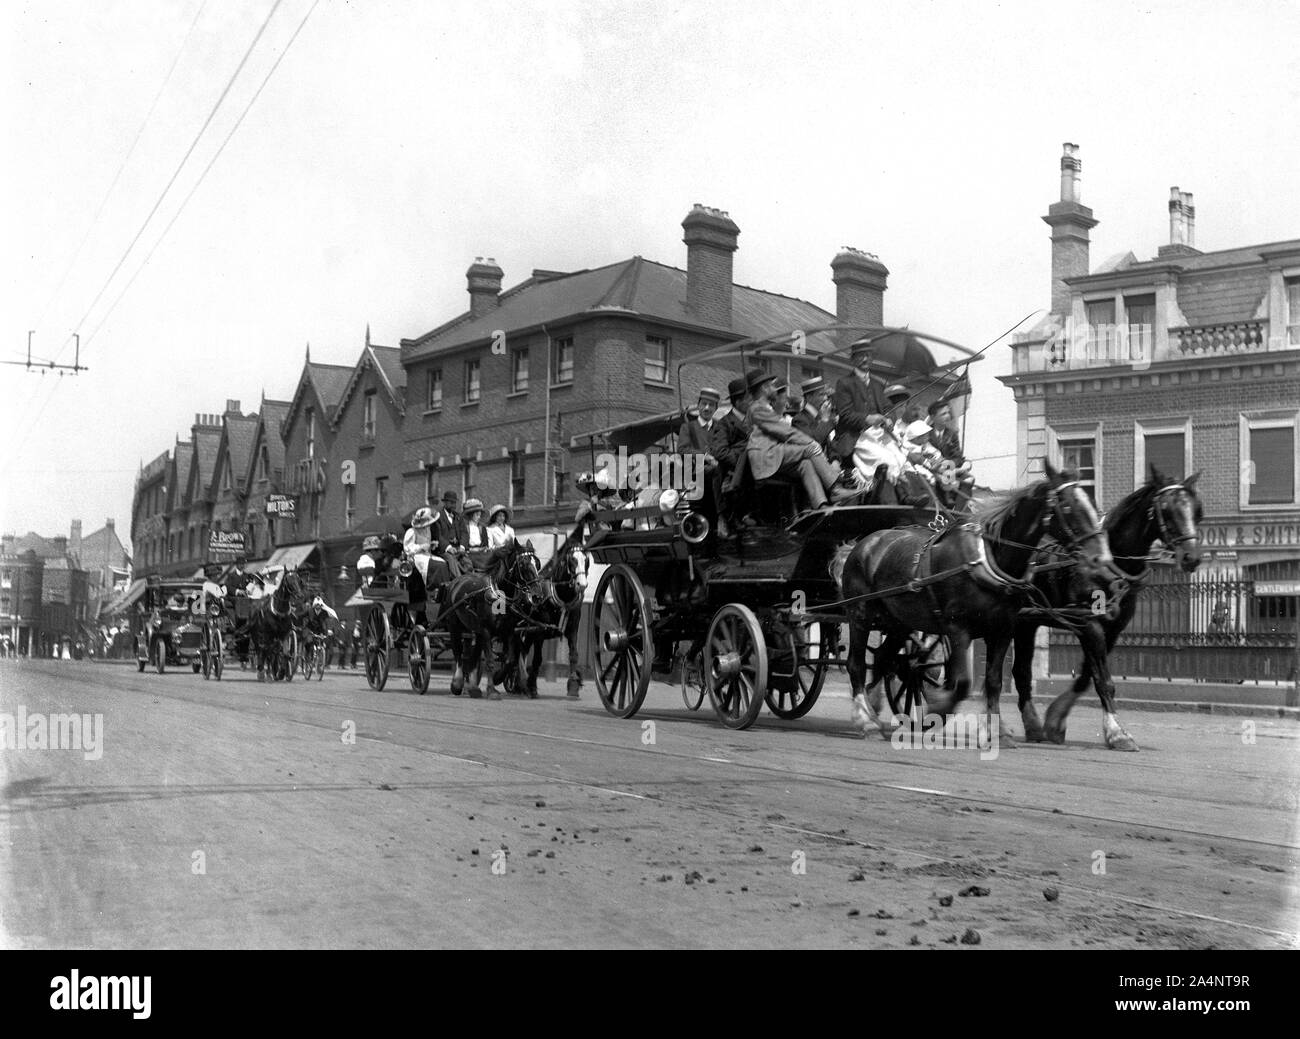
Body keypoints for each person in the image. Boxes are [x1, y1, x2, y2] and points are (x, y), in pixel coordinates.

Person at [745, 367, 851, 510]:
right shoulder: (757, 408)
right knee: (809, 449)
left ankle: (821, 505)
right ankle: (835, 488)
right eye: (771, 385)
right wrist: (811, 442)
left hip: (773, 453)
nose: (774, 389)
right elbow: (785, 432)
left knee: (805, 463)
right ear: (764, 388)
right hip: (765, 455)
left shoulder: (764, 408)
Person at [830, 347, 889, 460]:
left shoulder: (878, 385)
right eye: (861, 355)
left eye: (868, 355)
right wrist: (867, 419)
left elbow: (888, 407)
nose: (865, 359)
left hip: (879, 437)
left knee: (899, 457)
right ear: (853, 360)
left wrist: (889, 418)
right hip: (855, 439)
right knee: (884, 459)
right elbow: (845, 415)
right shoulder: (844, 383)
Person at [405, 506, 452, 615]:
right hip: (416, 556)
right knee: (437, 565)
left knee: (444, 563)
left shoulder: (428, 530)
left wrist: (433, 545)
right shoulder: (411, 532)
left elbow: (431, 543)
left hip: (427, 554)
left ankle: (442, 589)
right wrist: (423, 546)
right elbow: (408, 548)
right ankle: (433, 588)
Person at [710, 376, 751, 494]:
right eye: (749, 399)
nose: (752, 402)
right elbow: (720, 451)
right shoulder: (724, 423)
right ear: (738, 402)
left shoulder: (755, 420)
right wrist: (743, 462)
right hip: (734, 478)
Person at [791, 376, 835, 448]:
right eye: (821, 394)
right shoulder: (799, 420)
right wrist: (824, 420)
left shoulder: (823, 417)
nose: (825, 398)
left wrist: (834, 458)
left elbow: (830, 443)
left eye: (825, 394)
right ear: (809, 397)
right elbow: (813, 443)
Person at [677, 387, 721, 453]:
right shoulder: (687, 427)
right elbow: (682, 450)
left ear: (716, 408)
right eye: (704, 404)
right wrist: (704, 456)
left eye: (711, 405)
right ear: (698, 405)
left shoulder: (721, 428)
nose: (707, 408)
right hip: (694, 463)